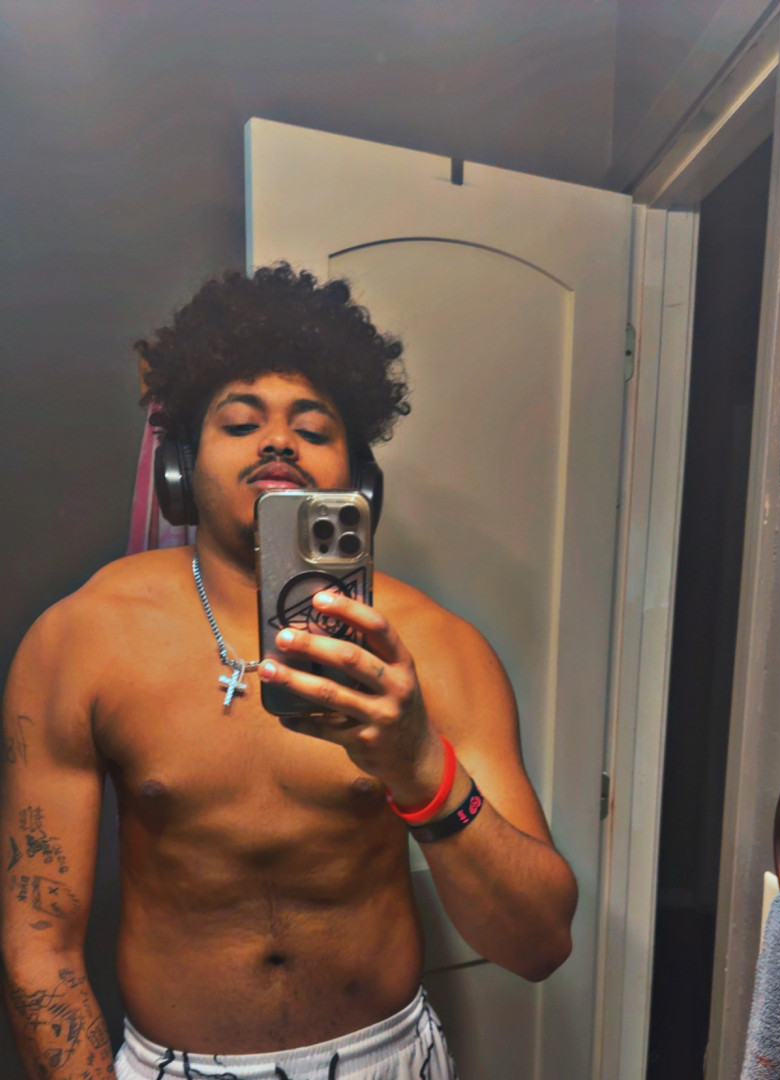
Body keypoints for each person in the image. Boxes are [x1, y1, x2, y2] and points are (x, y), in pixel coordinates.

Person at [1, 264, 577, 1080]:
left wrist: (419, 764)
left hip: (387, 1058)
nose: (278, 442)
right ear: (179, 469)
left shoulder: (434, 648)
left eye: (313, 427)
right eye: (241, 422)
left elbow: (540, 944)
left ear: (359, 479)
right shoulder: (80, 640)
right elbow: (39, 943)